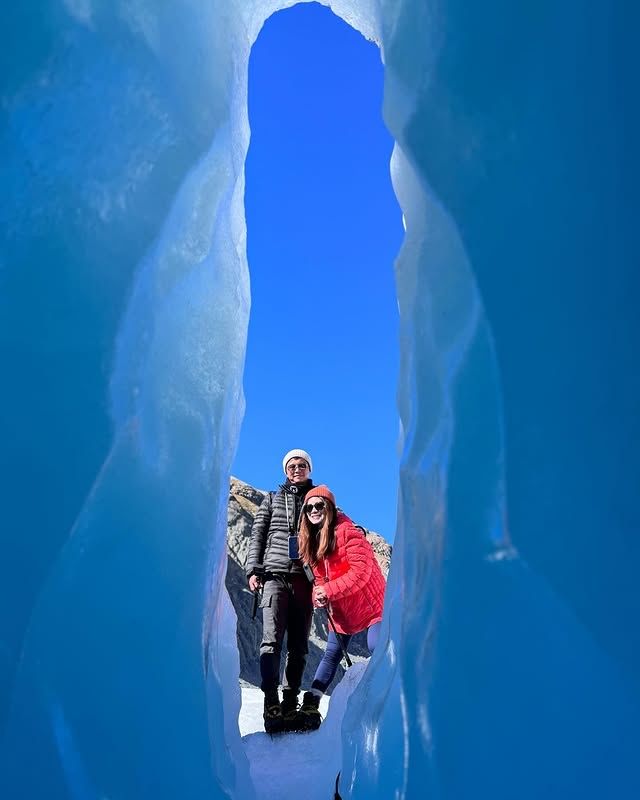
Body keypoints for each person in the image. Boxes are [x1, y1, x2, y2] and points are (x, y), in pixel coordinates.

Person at [295, 485, 386, 731]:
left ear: (330, 508)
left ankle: (384, 697)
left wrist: (329, 591)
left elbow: (361, 572)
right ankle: (311, 704)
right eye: (309, 507)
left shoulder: (348, 533)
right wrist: (319, 596)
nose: (314, 510)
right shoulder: (311, 543)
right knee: (332, 654)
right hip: (344, 609)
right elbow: (319, 581)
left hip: (371, 604)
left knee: (377, 645)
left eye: (320, 505)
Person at [245, 449, 315, 733]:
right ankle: (271, 701)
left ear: (309, 469)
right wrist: (253, 569)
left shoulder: (316, 501)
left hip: (304, 580)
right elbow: (257, 535)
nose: (296, 469)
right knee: (271, 642)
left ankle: (290, 702)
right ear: (286, 470)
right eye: (292, 465)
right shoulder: (271, 500)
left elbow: (335, 527)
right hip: (274, 577)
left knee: (299, 647)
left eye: (302, 465)